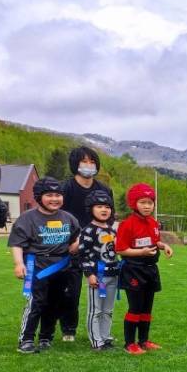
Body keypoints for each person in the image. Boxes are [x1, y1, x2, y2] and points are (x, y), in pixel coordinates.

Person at [8, 178, 80, 353]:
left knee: (54, 303)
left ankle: (46, 337)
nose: (54, 199)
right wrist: (18, 263)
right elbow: (17, 243)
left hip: (62, 266)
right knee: (36, 302)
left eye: (58, 195)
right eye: (49, 195)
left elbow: (76, 236)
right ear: (39, 197)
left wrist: (76, 244)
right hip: (38, 265)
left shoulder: (68, 218)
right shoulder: (27, 218)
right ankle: (26, 339)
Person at [59, 146, 113, 342]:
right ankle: (68, 329)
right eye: (84, 161)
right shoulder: (65, 189)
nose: (89, 165)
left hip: (97, 249)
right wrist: (73, 240)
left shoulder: (104, 190)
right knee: (70, 291)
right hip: (71, 247)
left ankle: (101, 330)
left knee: (101, 289)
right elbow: (59, 216)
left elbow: (110, 217)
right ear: (75, 164)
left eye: (92, 162)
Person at [115, 183, 173, 353]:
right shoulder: (127, 224)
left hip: (150, 270)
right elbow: (120, 249)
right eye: (143, 202)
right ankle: (129, 343)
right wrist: (141, 252)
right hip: (134, 270)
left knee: (147, 308)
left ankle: (144, 341)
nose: (147, 206)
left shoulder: (154, 223)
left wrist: (164, 246)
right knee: (135, 307)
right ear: (134, 203)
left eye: (150, 202)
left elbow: (155, 241)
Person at [75, 188, 120, 350]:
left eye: (107, 207)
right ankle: (96, 341)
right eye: (99, 206)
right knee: (96, 310)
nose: (104, 210)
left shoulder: (112, 230)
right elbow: (82, 255)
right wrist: (89, 274)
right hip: (97, 277)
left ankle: (106, 337)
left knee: (108, 310)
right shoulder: (88, 231)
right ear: (91, 209)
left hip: (113, 274)